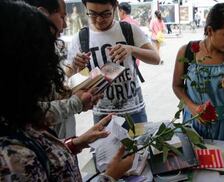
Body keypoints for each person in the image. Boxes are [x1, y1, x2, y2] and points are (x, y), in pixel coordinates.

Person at [0, 1, 134, 181]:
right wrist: (109, 176)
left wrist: (74, 143)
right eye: (44, 53)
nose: (51, 66)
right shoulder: (11, 157)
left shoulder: (15, 113)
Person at [67, 0, 160, 125]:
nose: (99, 20)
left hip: (134, 111)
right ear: (85, 8)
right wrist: (76, 65)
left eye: (106, 14)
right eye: (93, 14)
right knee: (106, 145)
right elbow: (69, 77)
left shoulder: (128, 29)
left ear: (115, 6)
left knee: (139, 144)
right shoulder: (81, 38)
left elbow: (156, 58)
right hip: (102, 114)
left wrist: (131, 49)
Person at [173, 3, 224, 142]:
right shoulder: (187, 52)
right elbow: (177, 86)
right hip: (194, 125)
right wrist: (192, 107)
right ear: (210, 30)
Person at [24, 0, 101, 139]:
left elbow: (53, 94)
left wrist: (76, 77)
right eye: (62, 16)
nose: (65, 25)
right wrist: (75, 103)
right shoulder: (20, 56)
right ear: (42, 14)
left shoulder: (48, 47)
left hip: (62, 144)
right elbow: (28, 112)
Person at [117, 2, 141, 66]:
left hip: (125, 59)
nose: (118, 14)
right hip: (136, 57)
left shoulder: (121, 24)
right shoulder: (135, 23)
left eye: (118, 11)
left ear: (122, 11)